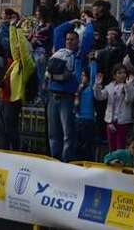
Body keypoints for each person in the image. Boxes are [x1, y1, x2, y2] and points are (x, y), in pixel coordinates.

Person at [47, 18, 94, 161]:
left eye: (73, 39)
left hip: (67, 98)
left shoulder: (79, 55)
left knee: (68, 134)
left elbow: (88, 37)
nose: (69, 42)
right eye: (67, 39)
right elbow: (57, 31)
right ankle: (55, 160)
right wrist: (71, 22)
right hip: (52, 96)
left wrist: (88, 24)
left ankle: (66, 161)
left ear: (78, 42)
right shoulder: (61, 51)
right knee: (53, 133)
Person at [0, 26, 35, 151]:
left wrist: (19, 30)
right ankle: (4, 150)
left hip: (14, 100)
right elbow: (13, 45)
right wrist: (12, 27)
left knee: (11, 128)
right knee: (3, 128)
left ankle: (14, 150)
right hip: (5, 98)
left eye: (20, 49)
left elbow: (23, 50)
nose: (17, 50)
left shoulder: (28, 65)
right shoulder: (15, 63)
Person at [94, 63, 134, 151]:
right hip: (110, 121)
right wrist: (97, 85)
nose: (122, 75)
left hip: (123, 122)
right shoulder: (110, 86)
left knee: (121, 147)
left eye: (124, 73)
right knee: (111, 147)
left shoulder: (130, 86)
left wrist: (127, 87)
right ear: (114, 75)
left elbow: (129, 100)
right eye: (119, 73)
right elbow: (99, 97)